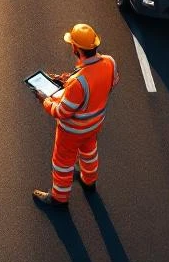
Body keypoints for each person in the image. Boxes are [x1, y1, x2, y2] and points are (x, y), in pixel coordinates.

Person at [32, 23, 119, 207]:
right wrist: (68, 81)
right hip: (94, 125)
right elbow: (111, 83)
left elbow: (62, 112)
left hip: (72, 131)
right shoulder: (110, 62)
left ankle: (59, 198)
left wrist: (44, 100)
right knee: (89, 152)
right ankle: (89, 181)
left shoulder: (78, 83)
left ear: (76, 48)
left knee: (62, 163)